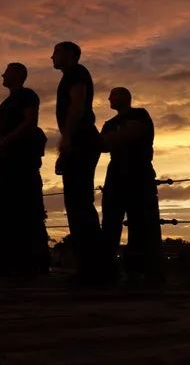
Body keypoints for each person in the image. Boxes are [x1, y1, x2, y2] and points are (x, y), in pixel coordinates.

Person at [52, 41, 113, 284]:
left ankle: (95, 270)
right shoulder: (70, 75)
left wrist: (66, 139)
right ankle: (94, 268)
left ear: (70, 54)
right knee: (77, 203)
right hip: (79, 141)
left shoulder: (77, 72)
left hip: (82, 140)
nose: (52, 57)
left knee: (79, 203)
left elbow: (78, 104)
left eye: (56, 52)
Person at [0, 63, 48, 276]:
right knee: (2, 208)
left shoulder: (27, 95)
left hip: (23, 159)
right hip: (7, 160)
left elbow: (30, 122)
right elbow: (2, 130)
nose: (3, 74)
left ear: (18, 74)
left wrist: (6, 141)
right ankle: (2, 261)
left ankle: (32, 263)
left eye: (7, 71)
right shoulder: (6, 102)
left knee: (27, 209)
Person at [100, 87, 162, 283]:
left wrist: (116, 137)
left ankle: (139, 270)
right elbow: (103, 145)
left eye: (114, 93)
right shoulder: (109, 123)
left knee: (141, 221)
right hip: (116, 173)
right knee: (110, 221)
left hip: (139, 173)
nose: (110, 97)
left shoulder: (140, 114)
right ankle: (108, 268)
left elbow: (130, 135)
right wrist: (120, 135)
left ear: (125, 97)